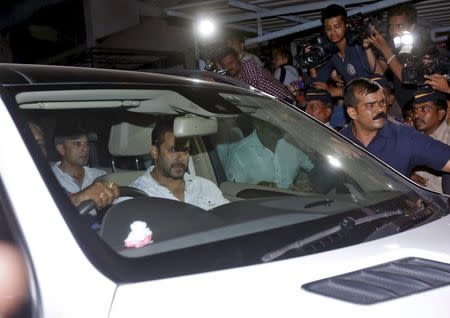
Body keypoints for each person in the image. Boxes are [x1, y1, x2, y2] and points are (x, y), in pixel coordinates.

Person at [340, 78, 450, 178]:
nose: (380, 110)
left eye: (382, 102)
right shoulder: (338, 140)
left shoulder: (404, 137)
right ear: (352, 113)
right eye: (370, 105)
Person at [130, 118, 229, 210]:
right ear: (155, 152)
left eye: (185, 151)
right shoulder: (136, 196)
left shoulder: (206, 187)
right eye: (173, 150)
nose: (180, 158)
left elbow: (229, 221)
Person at [29, 122, 119, 209]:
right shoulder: (49, 178)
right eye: (77, 144)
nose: (85, 149)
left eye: (86, 144)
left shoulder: (100, 175)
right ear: (61, 149)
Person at [224, 117, 313, 189]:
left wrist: (307, 184)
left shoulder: (293, 144)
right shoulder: (239, 153)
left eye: (281, 121)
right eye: (272, 120)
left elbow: (316, 169)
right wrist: (256, 189)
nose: (278, 125)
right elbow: (231, 192)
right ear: (257, 123)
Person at [312, 4, 378, 96]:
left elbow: (367, 80)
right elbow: (318, 82)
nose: (333, 32)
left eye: (337, 26)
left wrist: (335, 91)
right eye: (328, 28)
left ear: (346, 25)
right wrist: (311, 64)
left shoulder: (358, 44)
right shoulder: (332, 53)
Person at [366, 4, 421, 110]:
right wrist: (367, 47)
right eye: (391, 27)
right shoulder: (393, 47)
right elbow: (378, 71)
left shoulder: (423, 47)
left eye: (400, 26)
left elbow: (407, 78)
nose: (394, 31)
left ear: (412, 27)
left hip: (420, 108)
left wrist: (385, 49)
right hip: (402, 109)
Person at [411, 87, 450, 193]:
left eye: (424, 109)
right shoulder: (409, 136)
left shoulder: (447, 139)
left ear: (441, 114)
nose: (416, 115)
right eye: (415, 110)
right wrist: (407, 174)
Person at [218, 47, 294, 101]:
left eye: (231, 62)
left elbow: (251, 89)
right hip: (274, 104)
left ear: (238, 58)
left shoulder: (247, 63)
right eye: (225, 65)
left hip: (284, 100)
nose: (229, 67)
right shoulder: (236, 77)